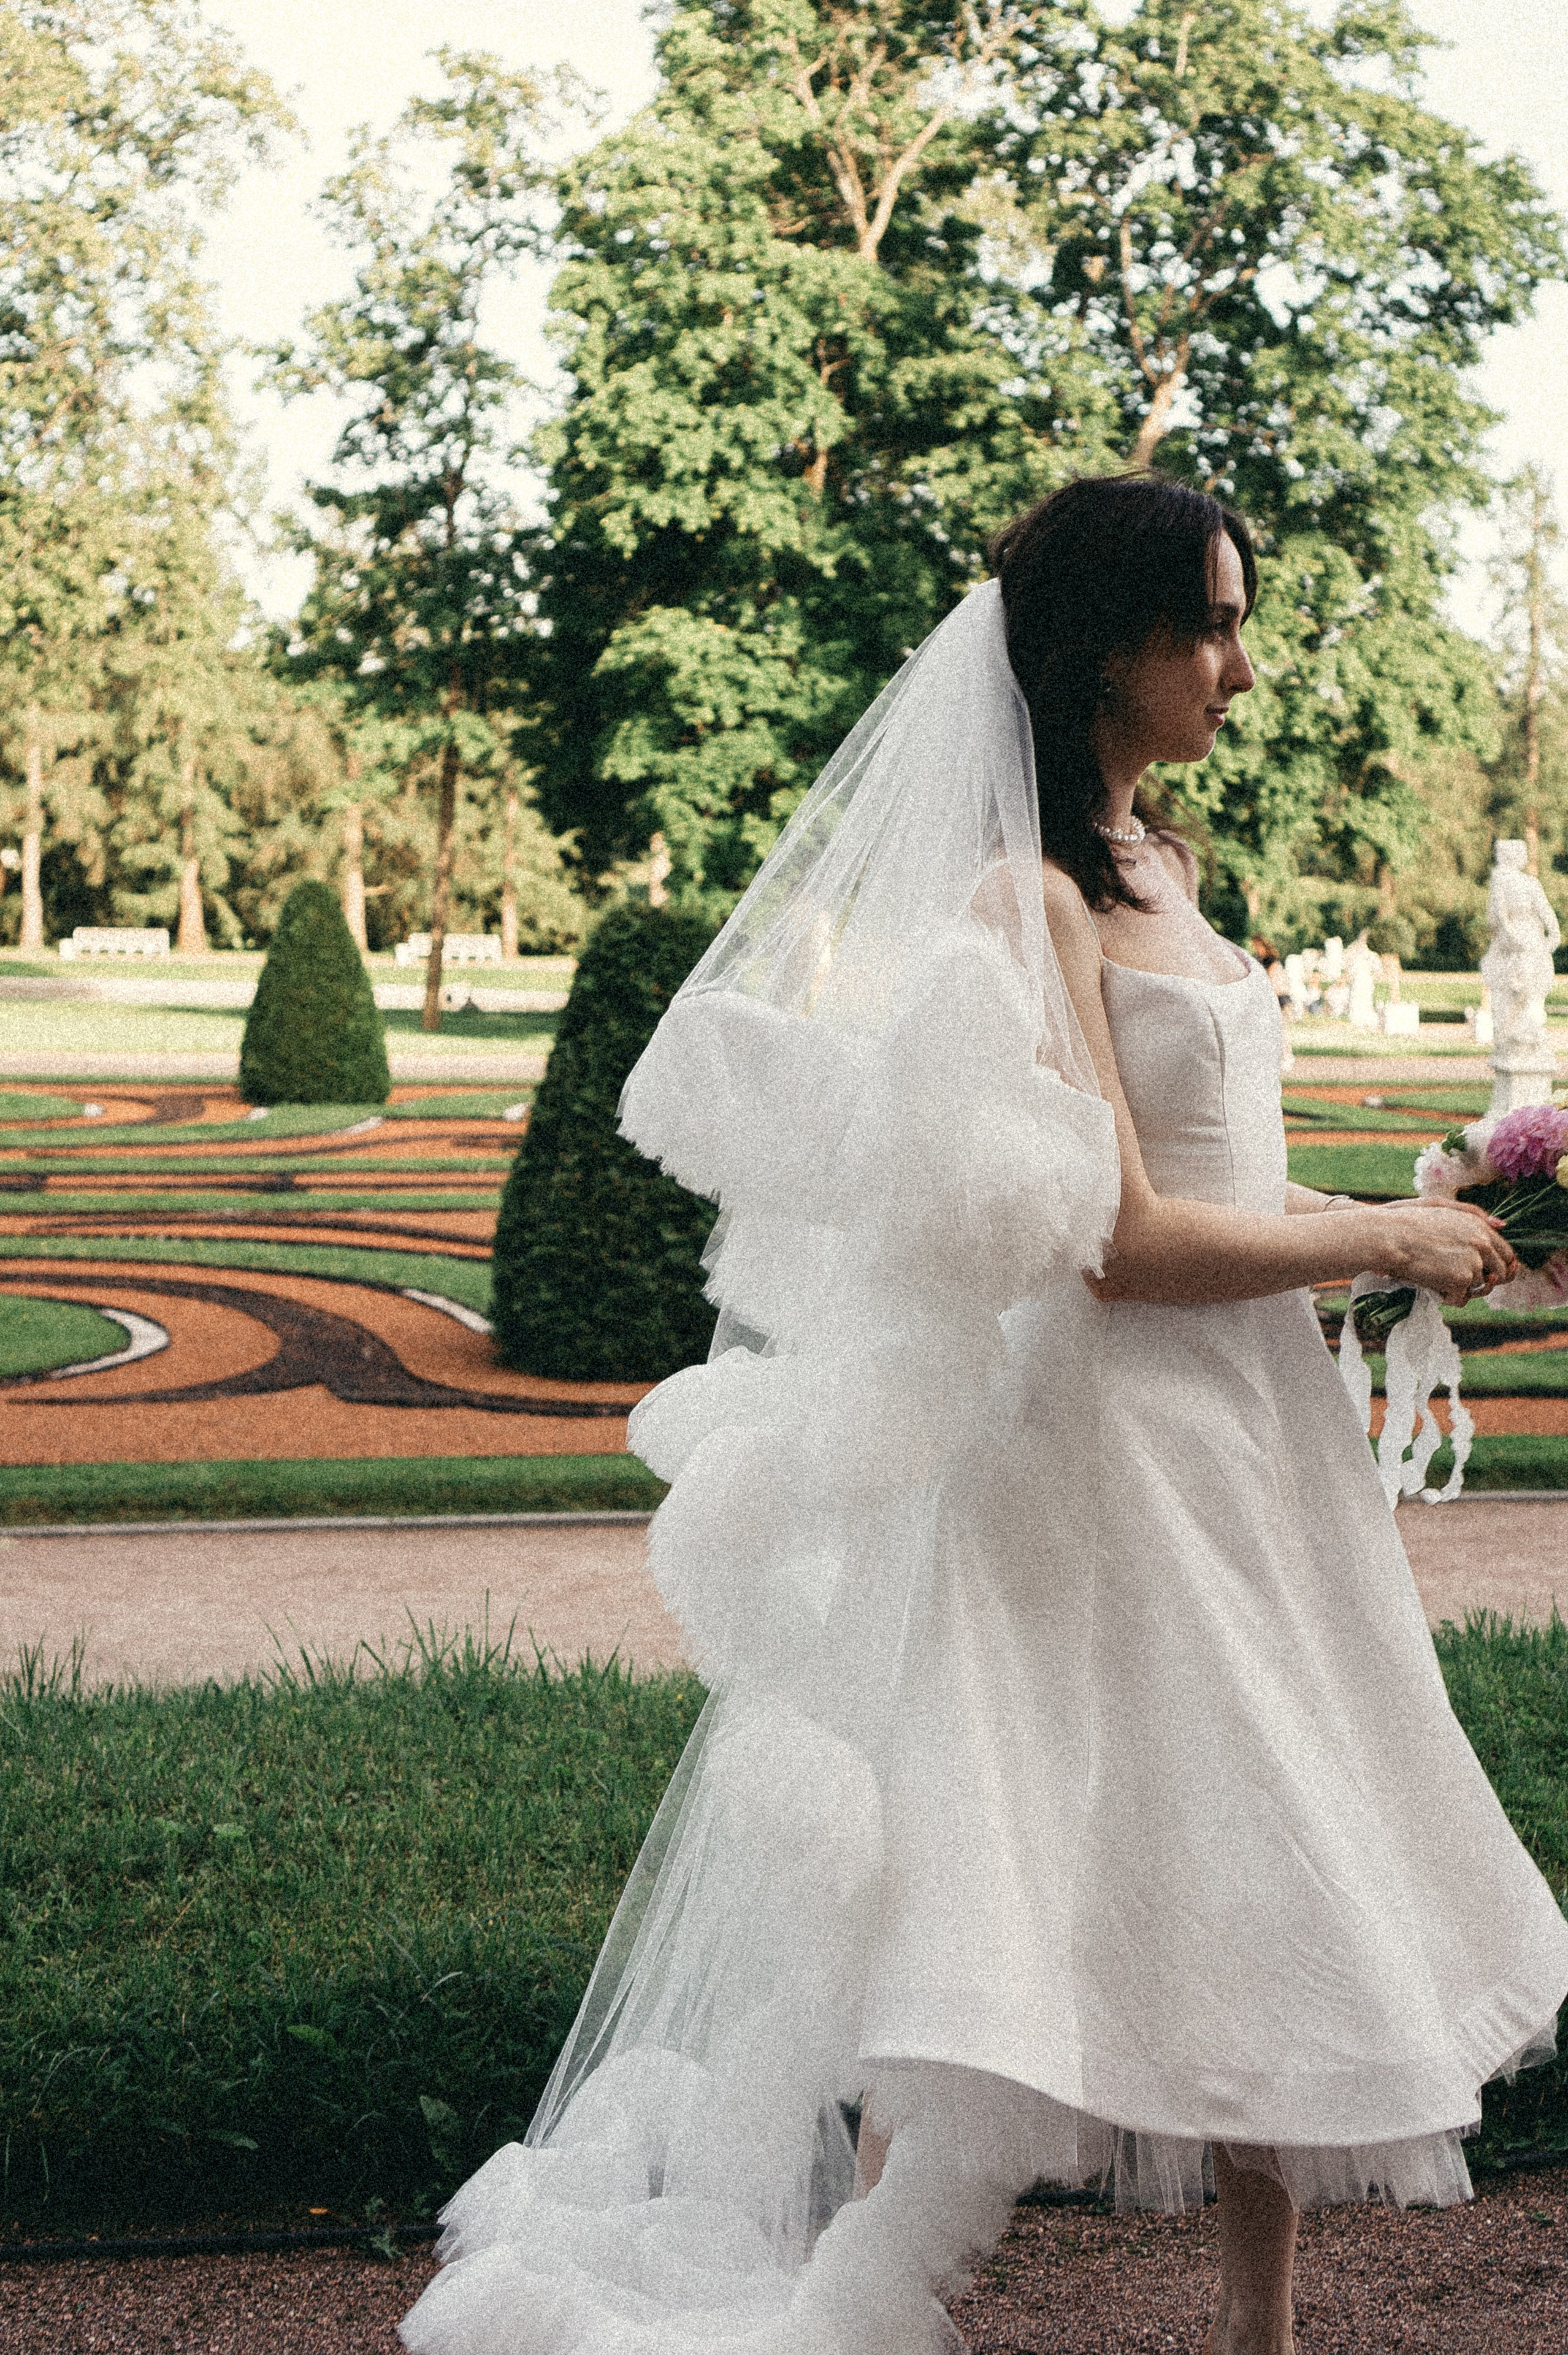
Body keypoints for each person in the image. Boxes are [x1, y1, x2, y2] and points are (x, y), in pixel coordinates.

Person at [401, 476, 1568, 2355]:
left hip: (1247, 1443)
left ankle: (1264, 2337)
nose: (1239, 666)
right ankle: (844, 2322)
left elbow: (1223, 1176)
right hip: (1095, 1463)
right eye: (1207, 626)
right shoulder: (1019, 900)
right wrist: (1377, 1230)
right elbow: (1112, 1242)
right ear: (1101, 646)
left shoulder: (1166, 873)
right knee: (993, 1886)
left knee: (1270, 1842)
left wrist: (1421, 1228)